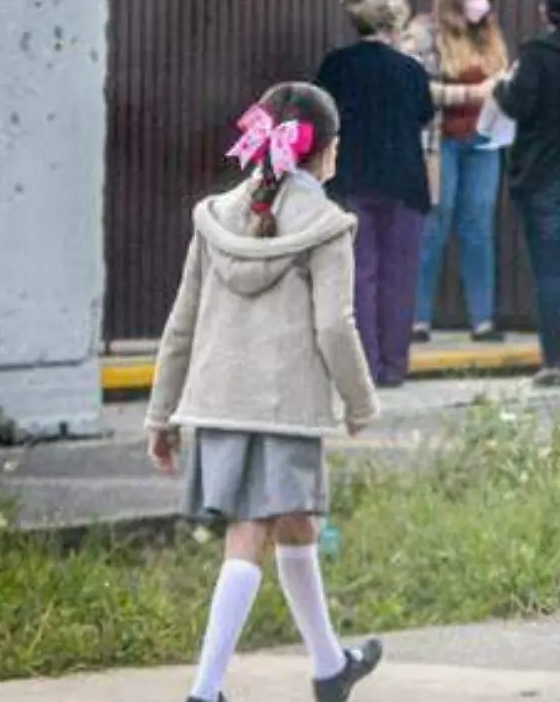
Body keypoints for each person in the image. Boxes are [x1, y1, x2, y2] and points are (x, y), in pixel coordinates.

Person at [145, 83, 384, 702]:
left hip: (218, 401)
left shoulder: (214, 217)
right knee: (251, 529)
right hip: (287, 408)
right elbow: (335, 325)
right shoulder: (327, 225)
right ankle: (205, 689)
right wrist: (360, 403)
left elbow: (182, 321)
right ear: (326, 151)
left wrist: (160, 414)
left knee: (294, 521)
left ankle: (331, 667)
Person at [315, 0, 436, 388]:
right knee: (398, 277)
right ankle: (393, 365)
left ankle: (363, 364)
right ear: (396, 26)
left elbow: (321, 115)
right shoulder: (411, 70)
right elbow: (424, 115)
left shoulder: (336, 65)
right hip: (404, 182)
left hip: (351, 179)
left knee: (359, 275)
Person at [493, 0, 560, 387]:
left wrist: (500, 86)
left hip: (541, 175)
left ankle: (553, 360)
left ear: (545, 12)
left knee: (550, 273)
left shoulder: (537, 54)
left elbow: (518, 103)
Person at [407, 0, 508, 344]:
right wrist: (469, 93)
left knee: (478, 228)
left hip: (484, 141)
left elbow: (500, 77)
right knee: (434, 224)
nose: (483, 3)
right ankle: (418, 318)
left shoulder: (489, 34)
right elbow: (419, 86)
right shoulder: (425, 32)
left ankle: (482, 319)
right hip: (441, 141)